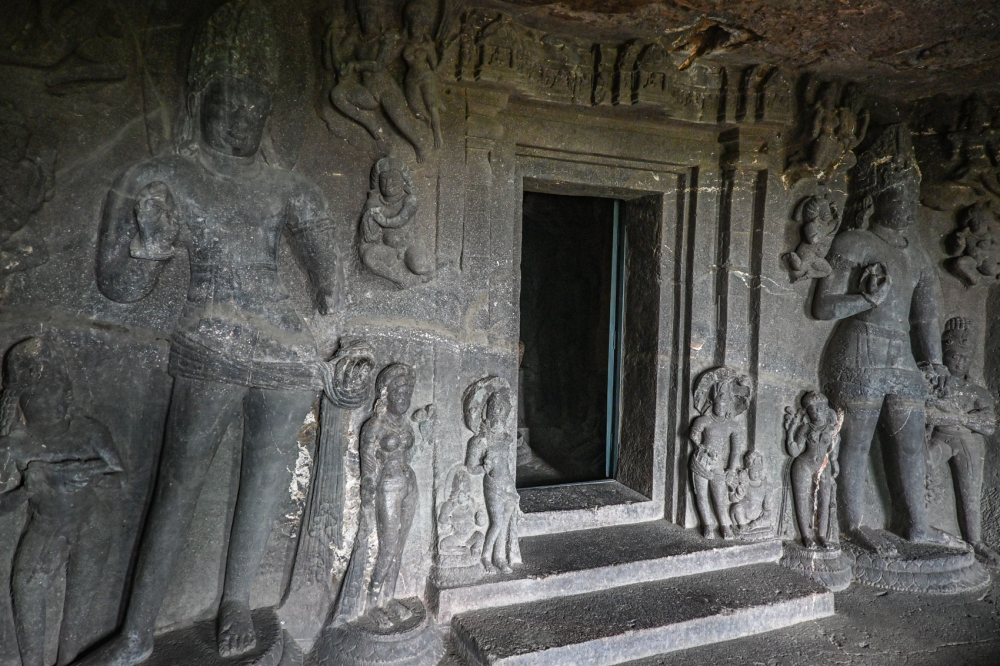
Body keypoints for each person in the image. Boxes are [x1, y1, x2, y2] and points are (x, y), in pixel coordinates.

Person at [77, 2, 369, 664]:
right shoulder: (158, 177)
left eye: (255, 104)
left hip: (284, 344)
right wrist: (148, 250)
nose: (243, 116)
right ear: (200, 97)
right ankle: (136, 629)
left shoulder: (287, 184)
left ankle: (236, 599)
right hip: (211, 333)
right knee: (178, 482)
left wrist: (329, 321)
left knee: (267, 474)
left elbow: (331, 275)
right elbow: (115, 286)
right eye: (229, 100)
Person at [813, 123, 957, 554]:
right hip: (858, 351)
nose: (908, 206)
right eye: (900, 197)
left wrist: (934, 362)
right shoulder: (854, 242)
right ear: (877, 198)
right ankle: (854, 524)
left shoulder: (918, 254)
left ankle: (917, 525)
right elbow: (822, 307)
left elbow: (926, 316)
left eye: (913, 198)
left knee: (911, 442)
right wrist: (863, 297)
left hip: (901, 357)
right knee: (855, 441)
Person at [0, 338, 122, 666]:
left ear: (67, 391)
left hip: (91, 526)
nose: (47, 400)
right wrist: (29, 487)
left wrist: (85, 472)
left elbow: (118, 476)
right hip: (46, 526)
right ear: (19, 400)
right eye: (36, 393)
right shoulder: (15, 443)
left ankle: (72, 658)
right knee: (26, 587)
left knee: (78, 615)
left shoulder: (89, 431)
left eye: (54, 388)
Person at [926, 318, 1000, 566]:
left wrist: (956, 416)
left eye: (963, 357)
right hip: (940, 438)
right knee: (918, 464)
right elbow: (928, 413)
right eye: (954, 356)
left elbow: (989, 425)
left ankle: (975, 540)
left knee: (970, 492)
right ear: (945, 355)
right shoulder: (937, 383)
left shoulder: (976, 392)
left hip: (968, 443)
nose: (958, 362)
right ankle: (918, 525)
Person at [688, 367, 752, 540]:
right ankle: (707, 524)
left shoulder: (733, 426)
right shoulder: (703, 420)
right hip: (701, 461)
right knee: (701, 495)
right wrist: (699, 444)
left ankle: (724, 525)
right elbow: (694, 433)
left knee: (720, 498)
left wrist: (731, 469)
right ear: (712, 403)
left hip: (719, 466)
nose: (721, 408)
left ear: (730, 406)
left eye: (725, 405)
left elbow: (735, 451)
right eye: (719, 404)